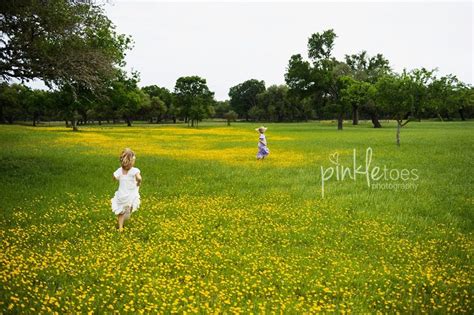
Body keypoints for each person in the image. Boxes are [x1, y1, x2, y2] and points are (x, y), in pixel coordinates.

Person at [111, 148, 142, 232]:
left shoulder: (134, 170)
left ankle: (127, 213)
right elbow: (114, 176)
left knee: (127, 210)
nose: (129, 165)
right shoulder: (120, 170)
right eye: (127, 163)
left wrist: (139, 180)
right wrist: (114, 177)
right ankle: (120, 227)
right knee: (120, 211)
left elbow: (138, 176)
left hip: (131, 193)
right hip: (122, 193)